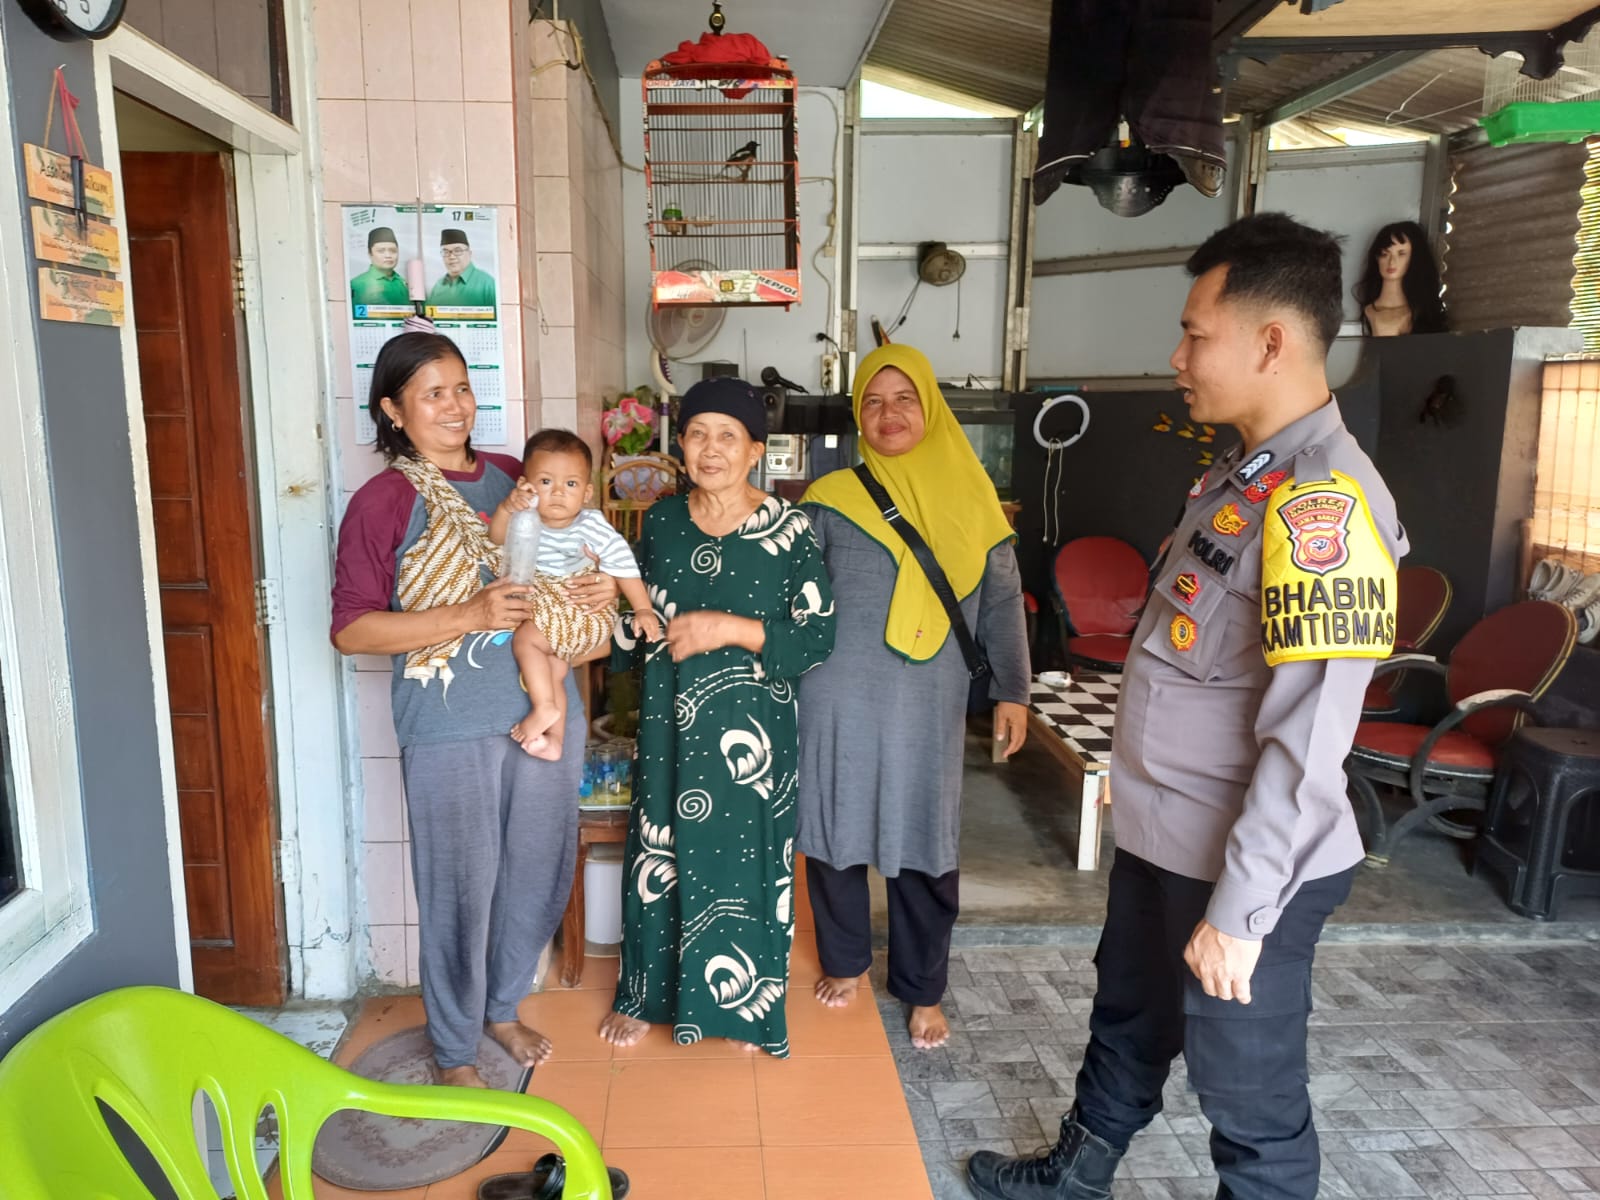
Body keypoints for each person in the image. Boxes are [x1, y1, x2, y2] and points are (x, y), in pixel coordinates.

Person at [965, 213, 1408, 1200]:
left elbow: (1308, 740)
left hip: (1246, 864)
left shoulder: (1326, 504)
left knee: (1247, 1098)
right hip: (1169, 837)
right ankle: (1076, 1174)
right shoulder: (1240, 474)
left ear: (1270, 342)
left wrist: (1242, 913)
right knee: (1128, 1017)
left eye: (1194, 334)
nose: (1176, 357)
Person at [330, 332, 619, 1086]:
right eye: (432, 393)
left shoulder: (519, 479)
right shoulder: (384, 502)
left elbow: (576, 568)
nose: (455, 405)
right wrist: (469, 613)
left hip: (544, 716)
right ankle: (456, 1046)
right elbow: (352, 631)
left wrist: (600, 591)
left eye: (461, 387)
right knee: (459, 886)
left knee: (535, 870)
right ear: (393, 410)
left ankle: (500, 1006)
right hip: (449, 727)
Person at [796, 344, 1031, 1051]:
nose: (888, 413)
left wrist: (1013, 692)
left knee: (925, 832)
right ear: (857, 415)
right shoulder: (829, 498)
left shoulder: (974, 500)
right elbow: (790, 593)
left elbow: (1002, 603)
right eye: (872, 401)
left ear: (930, 407)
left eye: (904, 399)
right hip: (835, 694)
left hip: (928, 700)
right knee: (833, 826)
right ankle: (845, 962)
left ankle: (923, 987)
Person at [598, 378, 836, 1056]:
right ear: (680, 445)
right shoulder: (662, 522)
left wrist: (728, 628)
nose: (710, 449)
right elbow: (639, 618)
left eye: (727, 436)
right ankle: (646, 995)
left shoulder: (790, 529)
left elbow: (817, 636)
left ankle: (745, 1011)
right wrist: (602, 608)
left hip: (753, 728)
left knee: (748, 862)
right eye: (697, 434)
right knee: (663, 852)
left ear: (755, 451)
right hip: (669, 723)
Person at [487, 429, 661, 760]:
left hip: (582, 609)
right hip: (554, 612)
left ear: (586, 492)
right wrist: (507, 508)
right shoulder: (524, 519)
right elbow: (497, 540)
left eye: (570, 484)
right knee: (554, 668)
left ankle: (544, 707)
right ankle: (554, 742)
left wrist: (643, 610)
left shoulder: (591, 526)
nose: (558, 493)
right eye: (545, 481)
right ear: (525, 485)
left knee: (526, 641)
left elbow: (624, 566)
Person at [1355, 220, 1447, 337]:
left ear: (1414, 258)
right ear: (1377, 258)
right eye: (1384, 254)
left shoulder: (1418, 312)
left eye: (1401, 254)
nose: (1392, 262)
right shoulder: (1370, 310)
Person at [427, 228, 497, 311]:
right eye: (446, 252)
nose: (451, 257)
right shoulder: (438, 286)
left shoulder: (487, 284)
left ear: (469, 254)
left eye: (457, 251)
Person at [350, 225, 410, 307]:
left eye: (393, 251)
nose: (388, 255)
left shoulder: (406, 284)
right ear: (370, 254)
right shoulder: (356, 285)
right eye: (381, 251)